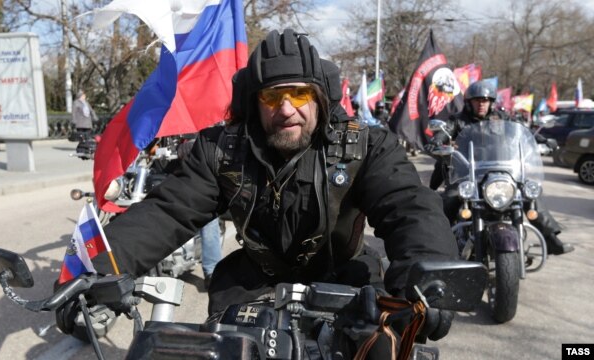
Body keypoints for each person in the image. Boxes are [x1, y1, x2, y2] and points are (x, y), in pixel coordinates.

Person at [90, 29, 458, 342]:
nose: (285, 109)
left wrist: (429, 275)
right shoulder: (221, 150)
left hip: (345, 276)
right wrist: (100, 270)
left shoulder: (366, 145)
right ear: (255, 102)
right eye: (272, 96)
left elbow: (408, 205)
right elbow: (168, 211)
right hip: (251, 282)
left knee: (383, 344)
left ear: (319, 98)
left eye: (298, 94)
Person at [425, 79, 574, 255]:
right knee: (450, 197)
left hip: (500, 170)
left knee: (528, 193)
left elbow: (521, 131)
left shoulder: (502, 118)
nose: (481, 104)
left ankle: (550, 239)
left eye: (485, 100)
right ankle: (437, 243)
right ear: (469, 102)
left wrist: (541, 140)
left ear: (491, 102)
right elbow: (444, 133)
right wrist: (436, 142)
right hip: (469, 172)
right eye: (477, 100)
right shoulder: (457, 121)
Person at [176, 139, 223, 289]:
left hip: (194, 177)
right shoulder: (157, 128)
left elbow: (210, 141)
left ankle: (212, 271)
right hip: (165, 178)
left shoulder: (199, 128)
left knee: (208, 217)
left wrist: (192, 144)